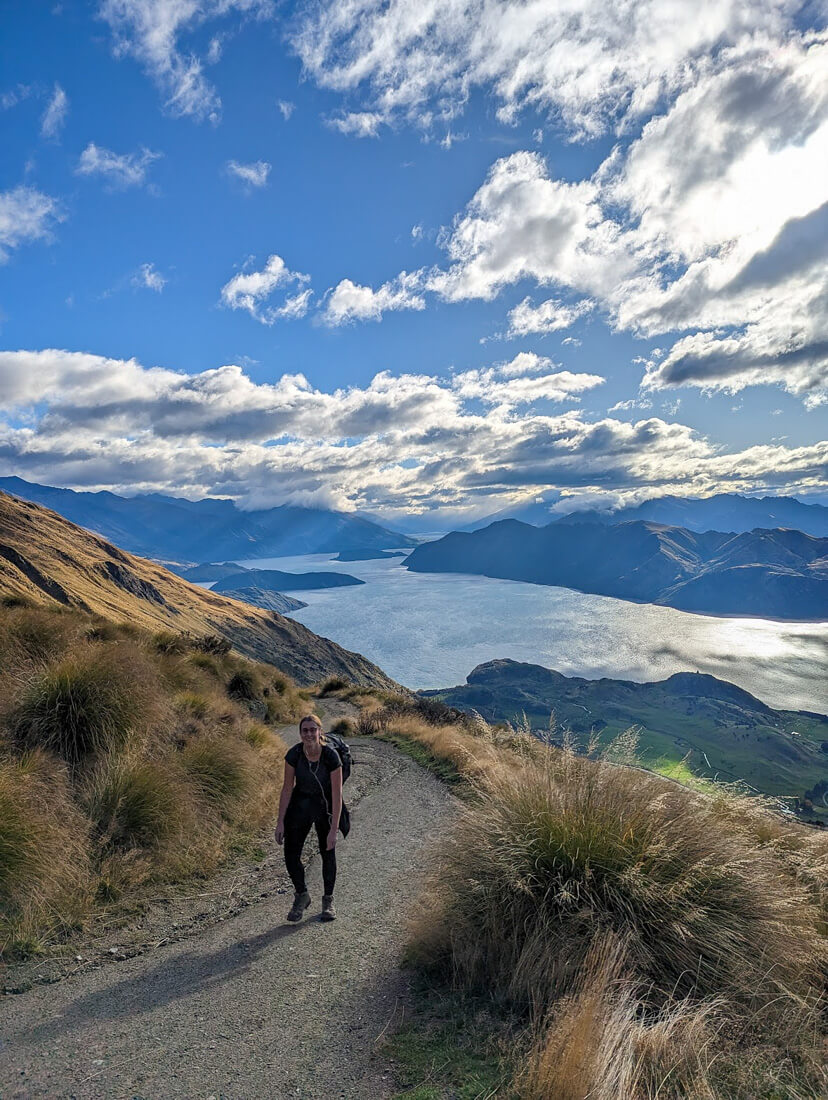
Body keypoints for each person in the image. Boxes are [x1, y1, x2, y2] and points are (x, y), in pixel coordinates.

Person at [275, 713, 343, 922]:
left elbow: (336, 794)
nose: (309, 734)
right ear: (300, 733)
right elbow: (287, 789)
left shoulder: (331, 757)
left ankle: (328, 901)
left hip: (325, 807)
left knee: (327, 851)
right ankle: (302, 895)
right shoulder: (294, 754)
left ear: (320, 732)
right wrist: (280, 822)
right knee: (291, 853)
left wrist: (334, 830)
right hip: (301, 805)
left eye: (313, 729)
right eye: (305, 730)